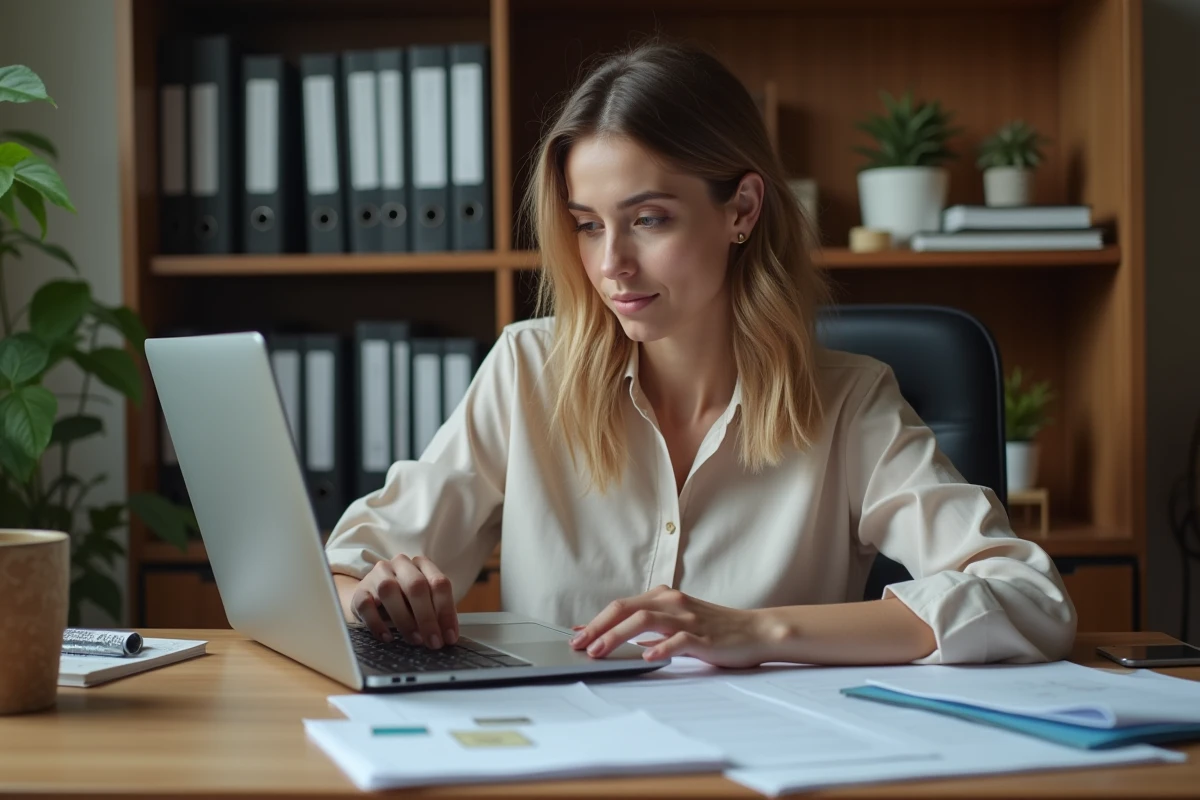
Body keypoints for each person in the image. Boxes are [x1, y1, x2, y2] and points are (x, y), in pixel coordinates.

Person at [325, 40, 1076, 669]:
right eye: (588, 225)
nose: (612, 262)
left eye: (647, 219)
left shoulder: (850, 402)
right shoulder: (529, 370)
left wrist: (761, 630)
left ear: (742, 209)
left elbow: (1029, 596)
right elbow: (342, 571)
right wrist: (374, 592)